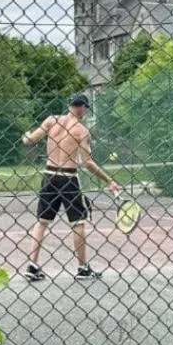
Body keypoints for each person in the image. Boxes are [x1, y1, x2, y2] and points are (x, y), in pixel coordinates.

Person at [20, 93, 119, 281]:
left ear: (69, 105)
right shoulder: (81, 130)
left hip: (49, 176)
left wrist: (25, 136)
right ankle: (82, 268)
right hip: (68, 178)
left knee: (42, 222)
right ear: (82, 108)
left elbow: (30, 140)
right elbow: (87, 163)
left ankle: (32, 266)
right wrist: (109, 180)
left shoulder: (52, 120)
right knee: (78, 223)